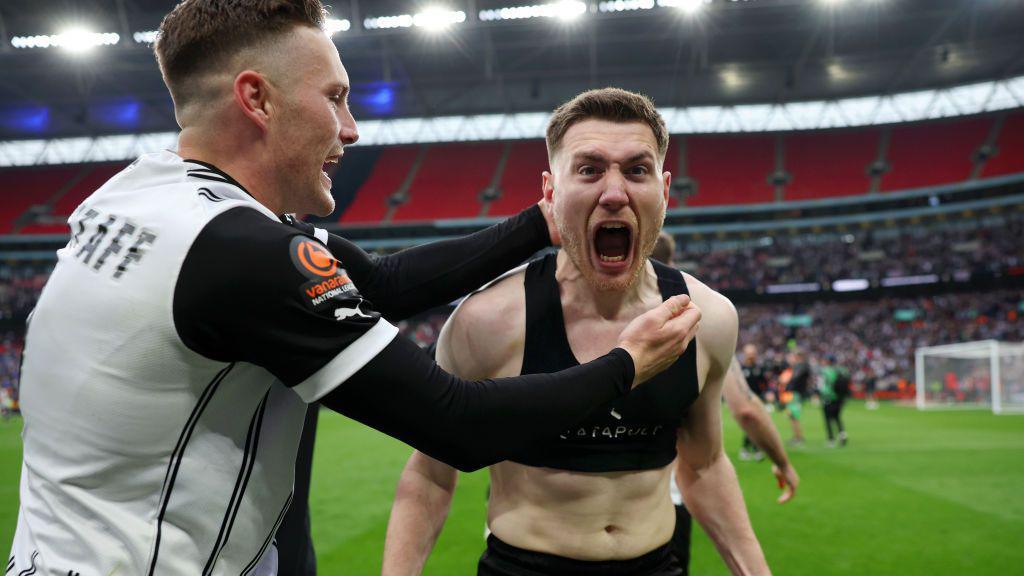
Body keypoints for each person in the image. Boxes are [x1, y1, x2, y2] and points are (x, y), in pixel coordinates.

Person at [5, 4, 703, 574]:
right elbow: (457, 423)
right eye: (335, 97)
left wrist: (536, 225)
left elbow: (380, 284)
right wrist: (626, 365)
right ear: (258, 99)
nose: (352, 127)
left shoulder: (135, 198)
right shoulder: (244, 252)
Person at [383, 88, 770, 576]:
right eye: (589, 170)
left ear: (665, 190)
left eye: (636, 170)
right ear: (550, 192)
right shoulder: (487, 320)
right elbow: (430, 473)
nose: (614, 193)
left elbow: (706, 465)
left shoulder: (706, 319)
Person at [653, 233, 797, 574]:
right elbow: (745, 408)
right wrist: (782, 462)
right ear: (673, 261)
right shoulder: (695, 316)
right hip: (664, 500)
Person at [737, 344, 772, 461]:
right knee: (750, 426)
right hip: (744, 401)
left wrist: (768, 393)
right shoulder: (741, 369)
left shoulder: (759, 368)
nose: (751, 356)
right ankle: (747, 449)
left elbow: (765, 384)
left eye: (753, 353)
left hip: (757, 401)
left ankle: (754, 449)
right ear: (745, 354)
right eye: (749, 353)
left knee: (757, 426)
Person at [780, 349, 810, 446]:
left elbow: (794, 379)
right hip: (795, 394)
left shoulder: (801, 366)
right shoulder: (802, 366)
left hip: (795, 394)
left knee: (794, 417)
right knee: (792, 416)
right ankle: (796, 436)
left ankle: (798, 438)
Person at [818, 355, 850, 447]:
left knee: (827, 418)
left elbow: (822, 386)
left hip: (829, 397)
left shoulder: (825, 371)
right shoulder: (843, 370)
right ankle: (842, 434)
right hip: (841, 398)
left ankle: (831, 439)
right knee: (837, 417)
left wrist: (820, 394)